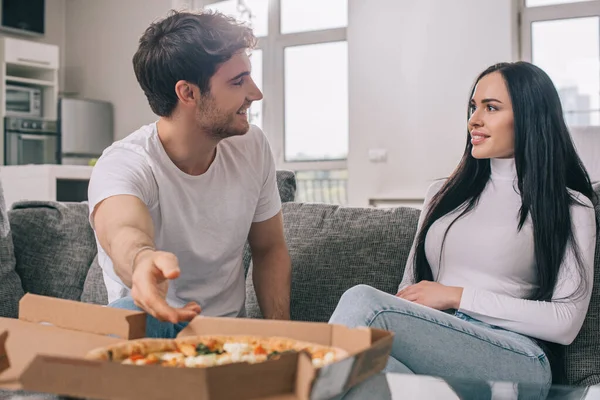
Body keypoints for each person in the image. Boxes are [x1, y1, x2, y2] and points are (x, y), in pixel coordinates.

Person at [330, 61, 597, 395]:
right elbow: (410, 290)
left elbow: (565, 323)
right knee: (365, 374)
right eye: (473, 106)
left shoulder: (570, 205)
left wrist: (455, 296)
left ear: (530, 116)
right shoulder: (441, 195)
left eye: (491, 107)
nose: (474, 119)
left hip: (518, 357)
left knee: (364, 302)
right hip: (440, 344)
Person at [88, 10, 292, 338]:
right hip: (153, 331)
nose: (255, 93)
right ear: (188, 93)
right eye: (238, 81)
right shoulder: (125, 162)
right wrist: (142, 260)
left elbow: (269, 249)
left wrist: (281, 342)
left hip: (226, 338)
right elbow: (121, 228)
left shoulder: (252, 146)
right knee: (126, 313)